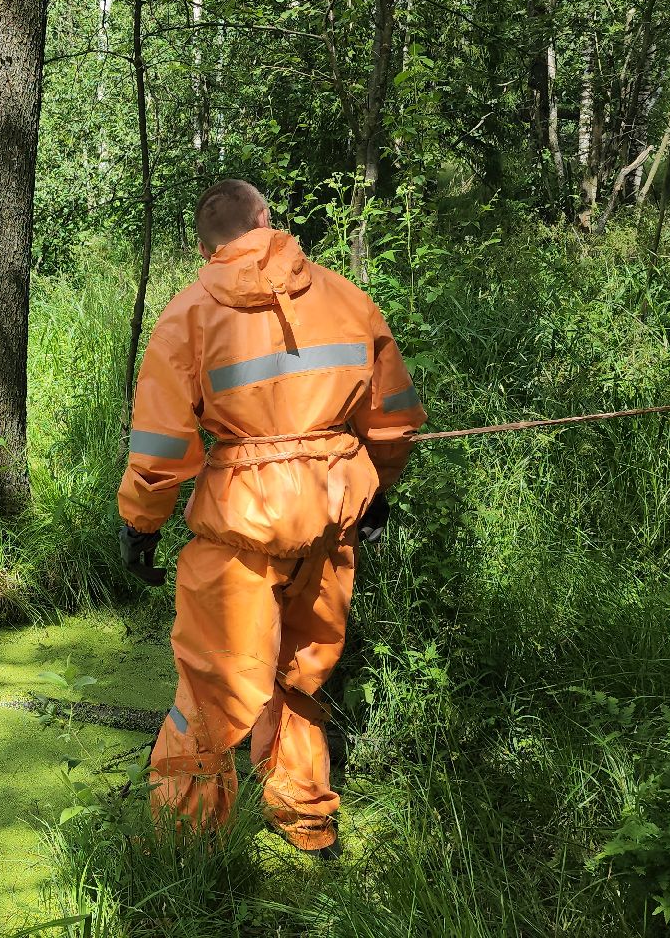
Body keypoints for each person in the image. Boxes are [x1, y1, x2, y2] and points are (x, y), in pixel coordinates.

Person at [117, 178, 424, 856]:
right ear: (267, 219)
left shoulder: (190, 313)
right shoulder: (348, 298)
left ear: (205, 245)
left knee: (212, 683)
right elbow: (395, 418)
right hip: (332, 510)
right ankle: (306, 821)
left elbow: (163, 444)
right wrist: (378, 491)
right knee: (301, 676)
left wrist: (141, 524)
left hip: (241, 525)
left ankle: (190, 846)